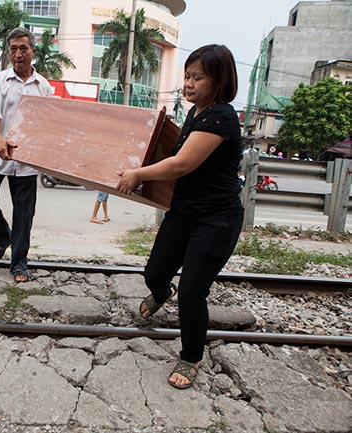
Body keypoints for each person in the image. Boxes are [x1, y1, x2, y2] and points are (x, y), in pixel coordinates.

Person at [116, 44, 244, 389]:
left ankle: (190, 357)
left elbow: (183, 163)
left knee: (192, 292)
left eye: (197, 77)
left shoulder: (222, 117)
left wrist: (137, 174)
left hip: (216, 219)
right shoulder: (196, 113)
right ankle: (161, 293)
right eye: (187, 75)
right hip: (184, 212)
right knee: (154, 273)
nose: (188, 83)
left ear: (219, 81)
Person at [0, 27, 53, 283]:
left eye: (23, 49)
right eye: (13, 49)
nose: (18, 54)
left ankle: (19, 264)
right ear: (9, 53)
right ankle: (1, 238)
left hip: (26, 162)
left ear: (33, 51)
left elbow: (47, 124)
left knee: (24, 215)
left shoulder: (44, 87)